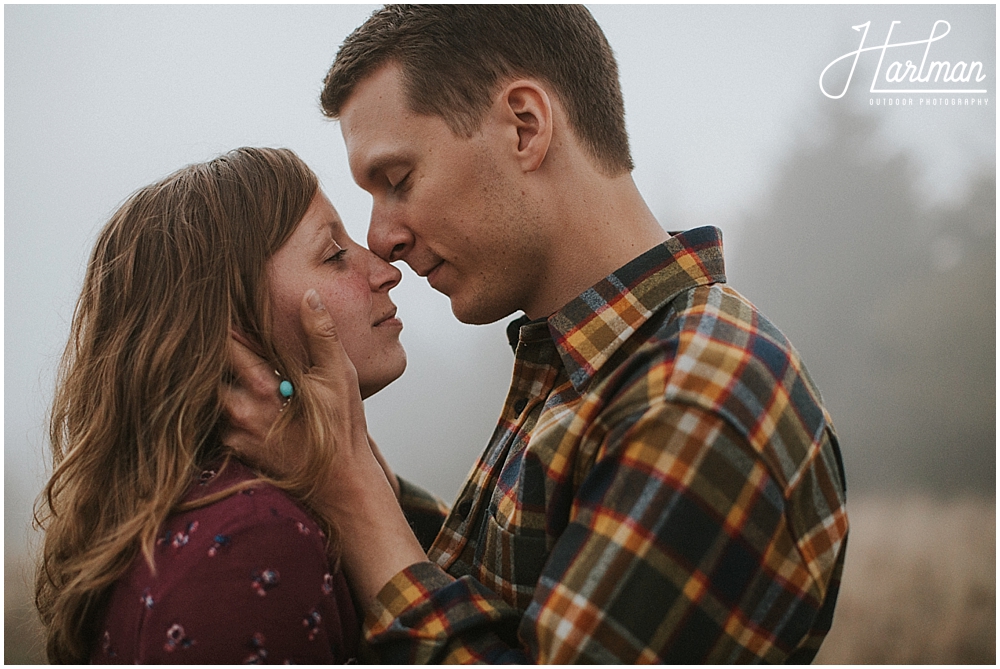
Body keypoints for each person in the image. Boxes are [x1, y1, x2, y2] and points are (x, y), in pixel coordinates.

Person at [226, 5, 849, 663]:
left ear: (525, 126)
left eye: (399, 180)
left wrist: (353, 502)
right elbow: (499, 608)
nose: (383, 237)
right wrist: (337, 456)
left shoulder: (692, 398)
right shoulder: (592, 367)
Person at [34, 147, 409, 663]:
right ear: (233, 326)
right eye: (334, 254)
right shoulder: (253, 541)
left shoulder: (210, 508)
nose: (386, 271)